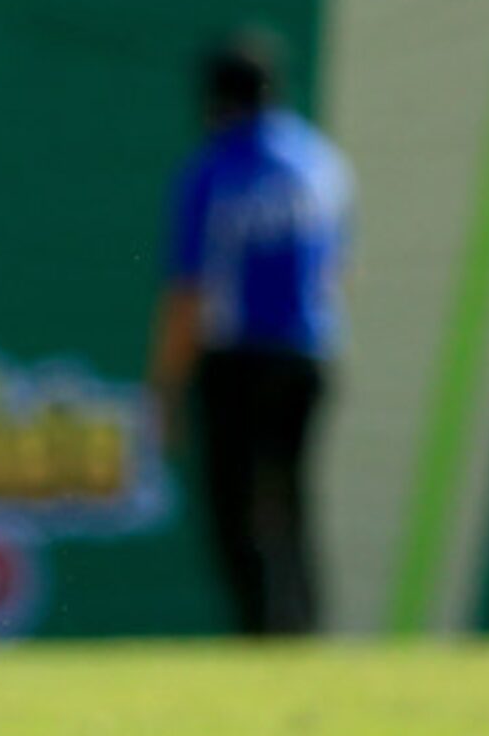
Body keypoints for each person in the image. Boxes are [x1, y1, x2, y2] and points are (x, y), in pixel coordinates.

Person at [148, 32, 352, 637]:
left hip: (238, 359)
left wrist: (165, 389)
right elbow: (341, 270)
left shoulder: (214, 170)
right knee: (292, 500)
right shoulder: (321, 163)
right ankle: (306, 626)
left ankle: (260, 634)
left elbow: (188, 293)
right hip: (310, 353)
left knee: (235, 508)